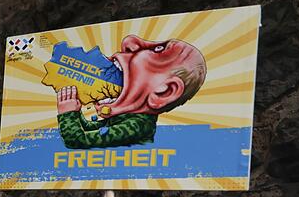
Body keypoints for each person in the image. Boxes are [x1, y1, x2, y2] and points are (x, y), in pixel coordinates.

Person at [56, 35, 207, 149]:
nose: (129, 41)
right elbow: (92, 129)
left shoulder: (137, 126)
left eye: (159, 49)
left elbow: (78, 141)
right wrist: (76, 113)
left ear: (164, 92)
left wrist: (67, 114)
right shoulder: (128, 116)